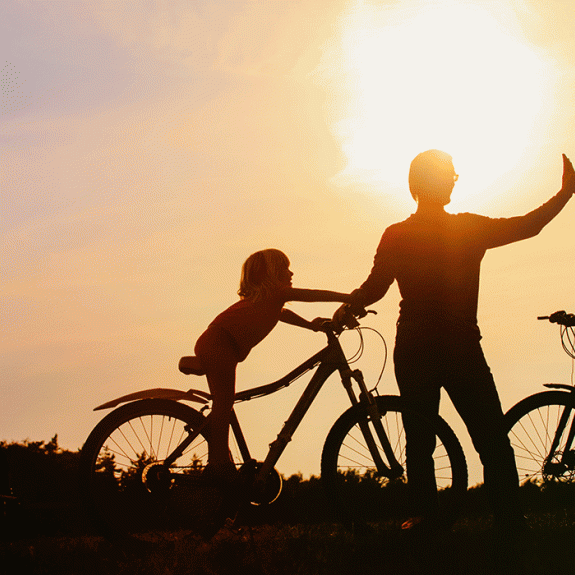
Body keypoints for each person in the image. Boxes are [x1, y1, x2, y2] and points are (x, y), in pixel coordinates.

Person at [344, 150, 575, 532]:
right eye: (450, 174)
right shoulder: (466, 228)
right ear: (433, 183)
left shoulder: (398, 233)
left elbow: (373, 289)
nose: (455, 178)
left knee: (420, 441)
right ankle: (510, 523)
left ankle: (424, 521)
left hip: (416, 344)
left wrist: (346, 307)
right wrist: (565, 193)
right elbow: (528, 226)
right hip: (460, 345)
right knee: (492, 441)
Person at [180, 248, 353, 483]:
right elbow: (310, 294)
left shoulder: (268, 300)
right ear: (272, 273)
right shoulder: (276, 293)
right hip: (220, 344)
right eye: (284, 268)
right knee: (223, 403)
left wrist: (311, 326)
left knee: (224, 403)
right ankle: (217, 465)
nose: (291, 273)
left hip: (221, 344)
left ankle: (222, 463)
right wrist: (349, 297)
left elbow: (283, 314)